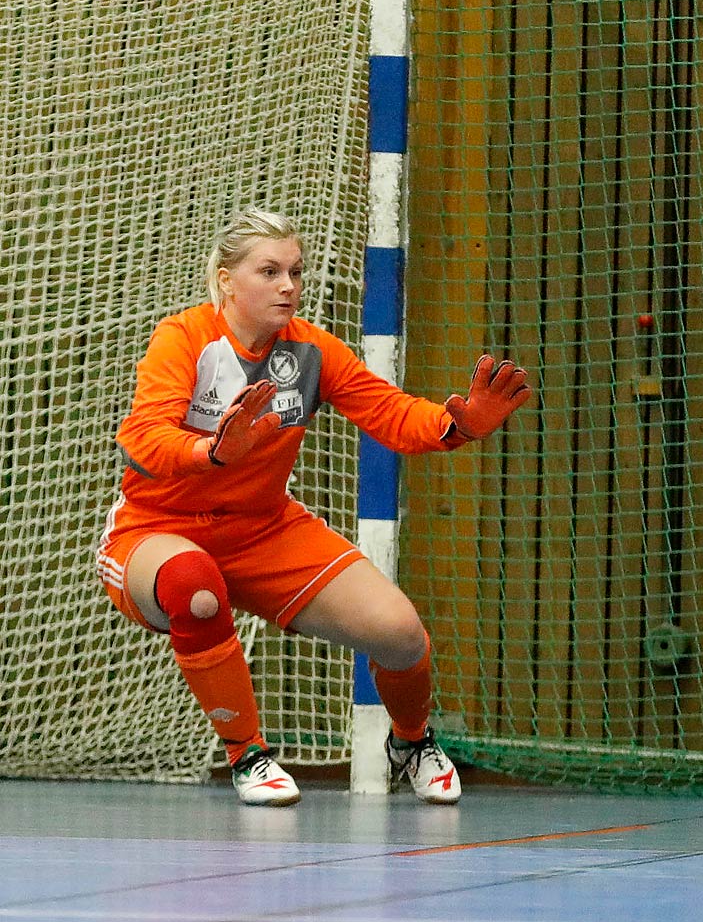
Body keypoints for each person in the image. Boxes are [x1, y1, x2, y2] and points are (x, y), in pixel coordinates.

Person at [98, 208, 532, 806]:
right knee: (194, 589)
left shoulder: (311, 353)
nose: (288, 286)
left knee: (400, 634)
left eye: (295, 272)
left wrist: (455, 424)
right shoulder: (184, 338)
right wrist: (211, 451)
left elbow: (392, 413)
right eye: (269, 271)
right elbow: (142, 440)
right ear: (226, 280)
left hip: (263, 530)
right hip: (159, 532)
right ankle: (247, 754)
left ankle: (410, 742)